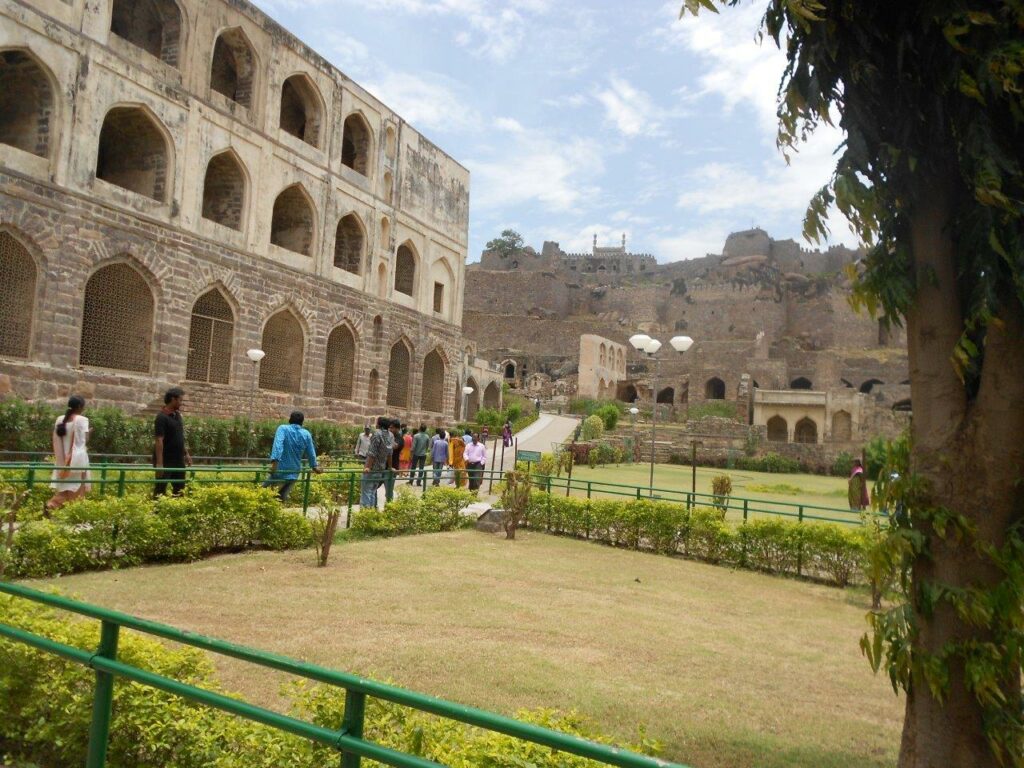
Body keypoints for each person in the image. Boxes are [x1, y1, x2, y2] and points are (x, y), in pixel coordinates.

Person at [263, 411, 322, 502]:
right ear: (302, 422)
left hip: (279, 471)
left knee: (262, 495)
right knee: (280, 499)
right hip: (294, 473)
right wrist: (314, 467)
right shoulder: (306, 434)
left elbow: (278, 446)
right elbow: (311, 453)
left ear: (290, 419)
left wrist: (274, 465)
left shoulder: (283, 429)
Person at [47, 395, 91, 511]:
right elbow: (83, 441)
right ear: (80, 406)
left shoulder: (60, 419)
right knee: (77, 491)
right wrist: (89, 433)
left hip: (62, 461)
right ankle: (57, 508)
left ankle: (52, 505)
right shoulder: (82, 420)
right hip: (76, 461)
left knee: (65, 489)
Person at [153, 387, 191, 497]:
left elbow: (179, 437)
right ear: (173, 399)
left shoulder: (177, 416)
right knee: (160, 488)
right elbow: (159, 440)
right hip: (166, 459)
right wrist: (160, 464)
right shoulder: (161, 417)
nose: (181, 403)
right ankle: (157, 511)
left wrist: (186, 454)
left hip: (178, 459)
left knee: (179, 489)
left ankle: (176, 511)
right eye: (180, 400)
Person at [360, 417, 391, 508]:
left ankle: (365, 515)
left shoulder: (377, 434)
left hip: (372, 469)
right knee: (372, 492)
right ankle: (372, 514)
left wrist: (368, 467)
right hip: (380, 469)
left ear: (379, 424)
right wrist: (389, 467)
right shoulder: (389, 435)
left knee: (366, 492)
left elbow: (372, 452)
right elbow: (390, 453)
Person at [385, 419, 402, 502]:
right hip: (383, 466)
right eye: (389, 428)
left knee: (388, 491)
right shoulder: (388, 436)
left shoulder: (400, 439)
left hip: (392, 467)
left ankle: (389, 508)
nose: (390, 430)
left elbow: (394, 446)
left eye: (392, 428)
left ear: (397, 429)